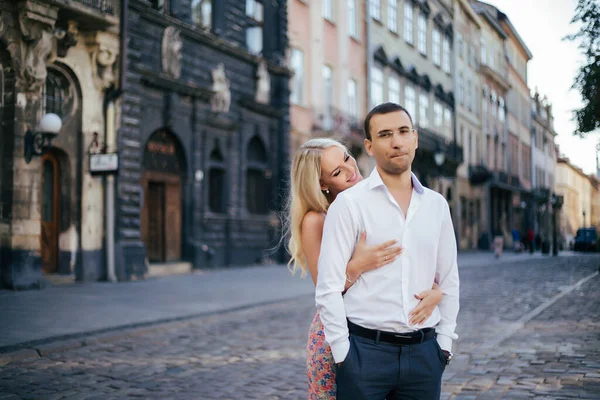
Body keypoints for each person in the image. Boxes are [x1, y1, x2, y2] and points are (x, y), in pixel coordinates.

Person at [315, 103, 460, 400]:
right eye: (385, 134)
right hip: (365, 355)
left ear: (415, 139)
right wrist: (344, 355)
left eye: (404, 132)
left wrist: (443, 346)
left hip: (424, 357)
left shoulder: (437, 206)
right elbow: (327, 287)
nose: (397, 141)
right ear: (369, 146)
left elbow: (449, 280)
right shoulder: (349, 204)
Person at [285, 138, 444, 400]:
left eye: (347, 158)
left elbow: (410, 264)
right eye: (337, 172)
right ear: (322, 184)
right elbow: (326, 287)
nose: (351, 170)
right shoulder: (316, 220)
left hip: (383, 335)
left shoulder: (370, 204)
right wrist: (359, 264)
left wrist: (437, 293)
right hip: (338, 334)